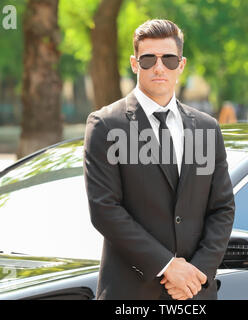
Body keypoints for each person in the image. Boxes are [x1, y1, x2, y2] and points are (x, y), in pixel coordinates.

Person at [83, 19, 235, 300]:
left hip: (195, 294)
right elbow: (105, 209)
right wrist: (167, 266)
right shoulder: (105, 125)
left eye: (169, 59)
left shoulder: (206, 128)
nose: (159, 67)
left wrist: (197, 273)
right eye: (148, 59)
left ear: (182, 64)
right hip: (130, 295)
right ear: (133, 63)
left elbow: (222, 208)